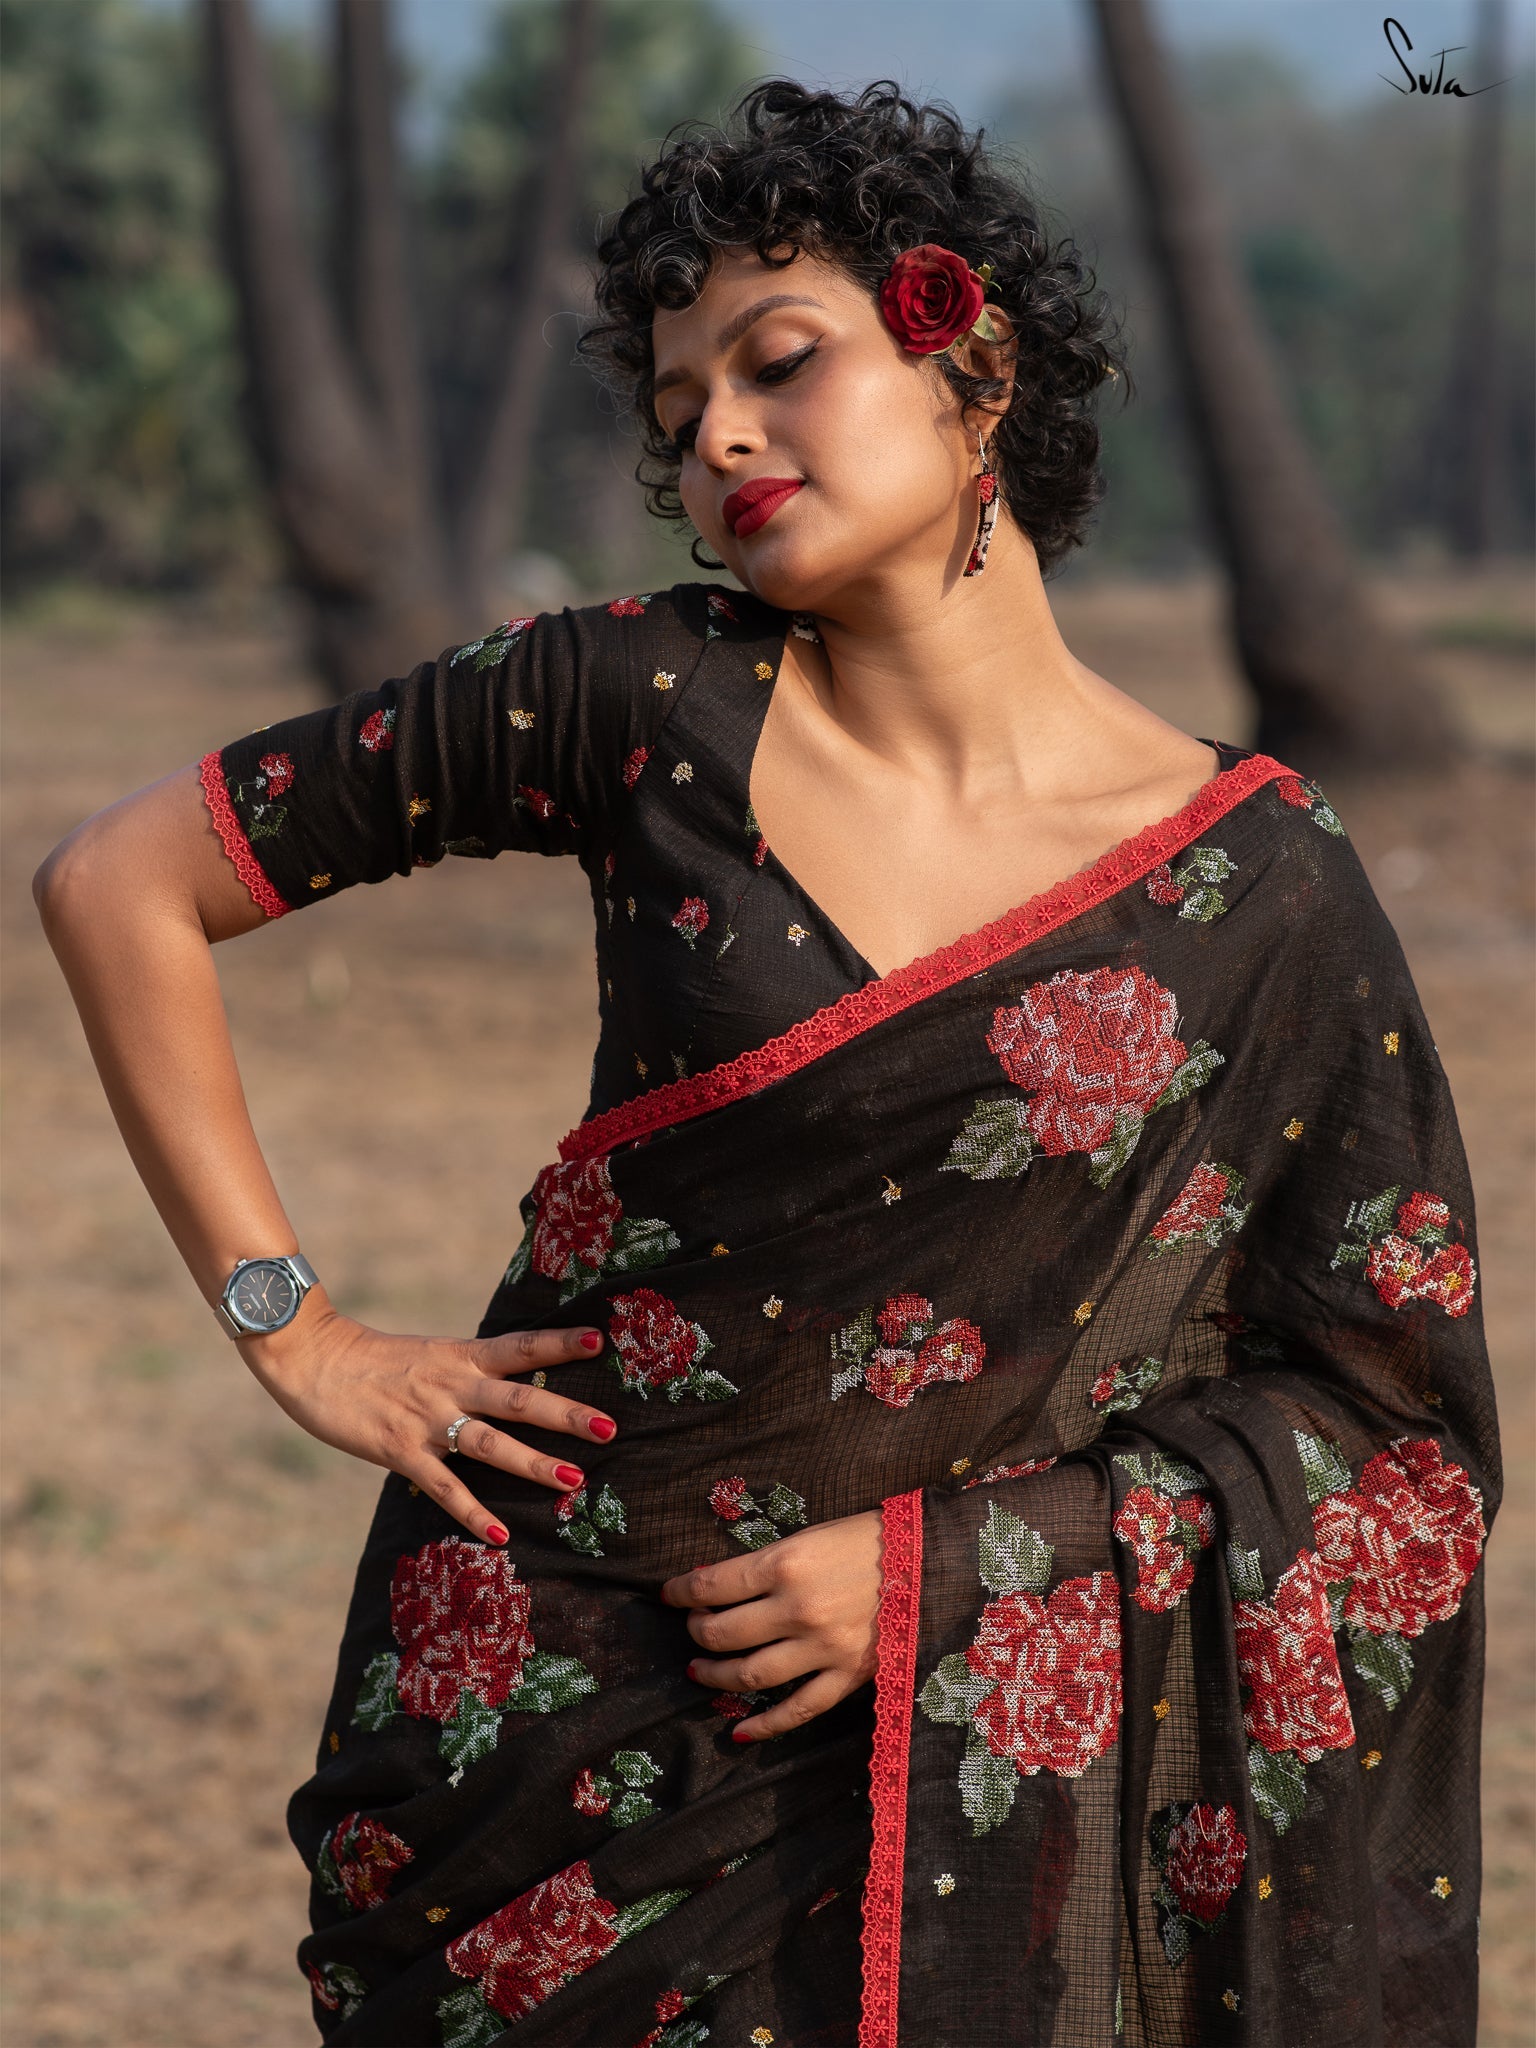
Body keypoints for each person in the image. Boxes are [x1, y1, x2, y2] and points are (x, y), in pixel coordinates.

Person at [33, 80, 1498, 2048]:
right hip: (545, 1732)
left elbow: (1383, 1425)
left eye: (778, 362)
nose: (717, 434)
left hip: (957, 1764)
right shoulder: (635, 698)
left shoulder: (1260, 887)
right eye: (678, 408)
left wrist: (952, 1570)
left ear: (971, 357)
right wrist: (291, 1327)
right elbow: (119, 882)